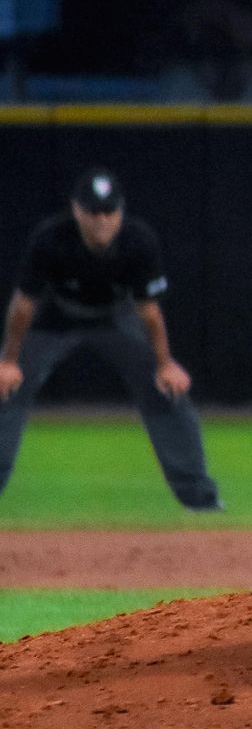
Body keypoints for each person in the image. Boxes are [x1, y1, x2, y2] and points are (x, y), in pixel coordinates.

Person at [0, 169, 222, 511]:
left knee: (167, 388)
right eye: (93, 212)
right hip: (56, 318)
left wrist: (165, 364)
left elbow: (148, 311)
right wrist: (9, 362)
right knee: (5, 388)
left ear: (120, 212)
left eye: (109, 211)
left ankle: (199, 497)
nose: (102, 220)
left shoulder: (138, 240)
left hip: (116, 318)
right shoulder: (51, 238)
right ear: (76, 210)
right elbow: (23, 304)